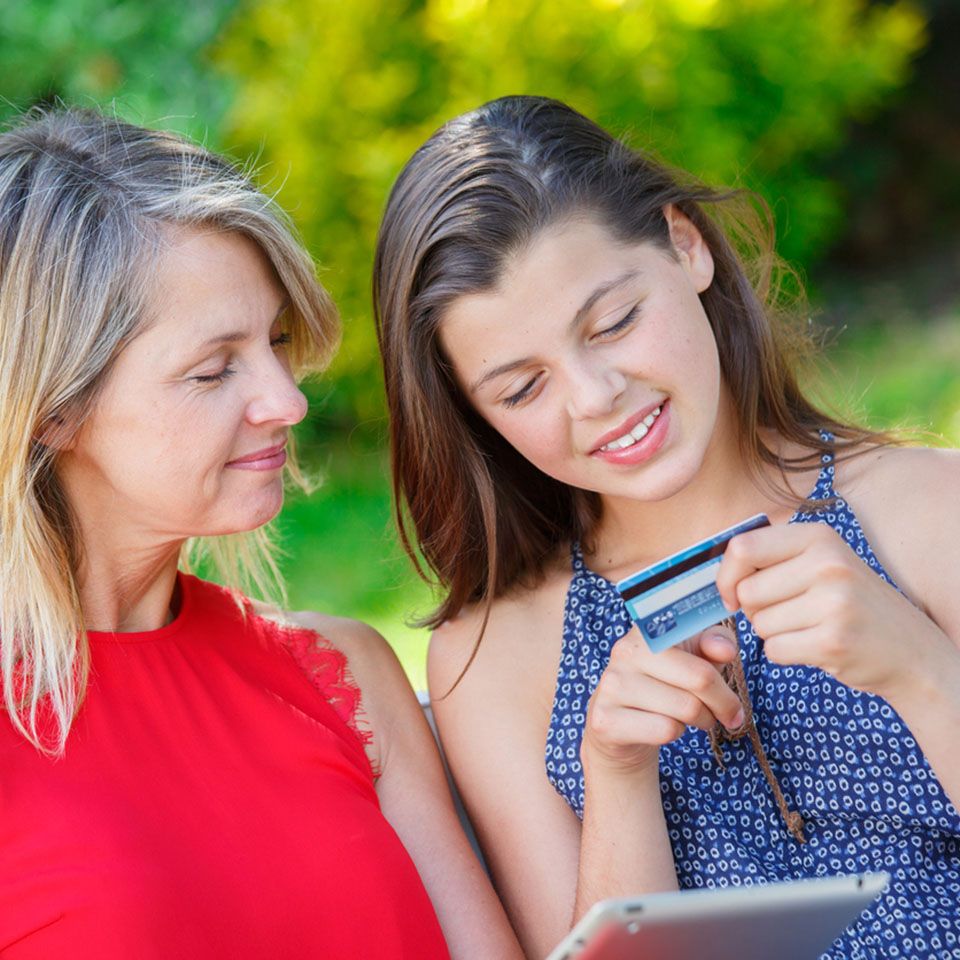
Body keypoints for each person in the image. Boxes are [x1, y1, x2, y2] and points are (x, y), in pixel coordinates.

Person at [372, 95, 960, 959]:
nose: (595, 396)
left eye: (614, 322)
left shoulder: (930, 509)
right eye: (523, 388)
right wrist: (616, 776)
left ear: (686, 246)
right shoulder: (495, 656)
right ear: (474, 416)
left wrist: (921, 671)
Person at [0, 106, 523, 960]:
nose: (287, 400)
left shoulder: (346, 677)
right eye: (213, 371)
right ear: (55, 408)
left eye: (277, 342)